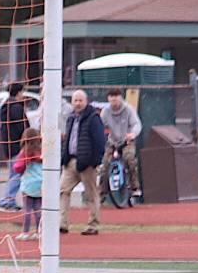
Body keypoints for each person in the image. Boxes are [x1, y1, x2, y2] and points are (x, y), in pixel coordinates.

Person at [60, 89, 106, 235]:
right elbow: (68, 139)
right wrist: (64, 157)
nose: (78, 103)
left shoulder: (94, 118)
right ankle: (63, 223)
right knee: (63, 190)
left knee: (91, 194)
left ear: (86, 102)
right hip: (71, 162)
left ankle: (93, 224)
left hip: (87, 164)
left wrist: (94, 162)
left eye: (81, 100)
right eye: (75, 100)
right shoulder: (71, 118)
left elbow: (100, 141)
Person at [98, 88, 142, 198]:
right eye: (111, 97)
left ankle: (134, 187)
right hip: (112, 141)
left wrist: (132, 134)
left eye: (116, 96)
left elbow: (136, 124)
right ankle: (102, 192)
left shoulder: (128, 109)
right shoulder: (105, 112)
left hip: (127, 140)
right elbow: (100, 126)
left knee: (129, 159)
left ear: (120, 98)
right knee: (105, 163)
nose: (114, 99)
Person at [0, 82, 28, 212]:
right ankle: (7, 200)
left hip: (9, 145)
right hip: (16, 145)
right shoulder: (15, 108)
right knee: (17, 174)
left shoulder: (6, 106)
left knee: (14, 174)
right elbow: (21, 127)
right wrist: (26, 139)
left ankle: (9, 200)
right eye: (22, 92)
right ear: (19, 92)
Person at [14, 127, 43, 241]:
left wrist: (23, 164)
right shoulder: (41, 152)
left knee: (27, 209)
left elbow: (18, 167)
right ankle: (39, 232)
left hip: (28, 184)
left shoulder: (25, 153)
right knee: (38, 209)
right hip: (40, 183)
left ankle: (25, 232)